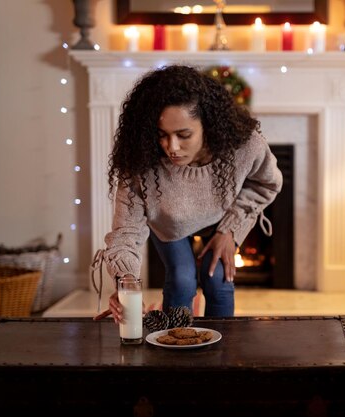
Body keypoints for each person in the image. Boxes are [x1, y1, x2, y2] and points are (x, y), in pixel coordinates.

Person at [91, 64, 283, 322]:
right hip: (169, 223)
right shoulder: (141, 159)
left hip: (221, 218)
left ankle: (221, 355)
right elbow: (126, 231)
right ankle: (174, 350)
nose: (172, 147)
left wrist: (231, 229)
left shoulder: (245, 145)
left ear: (209, 125)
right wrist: (126, 282)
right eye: (162, 135)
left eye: (184, 135)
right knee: (182, 279)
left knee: (217, 279)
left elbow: (267, 183)